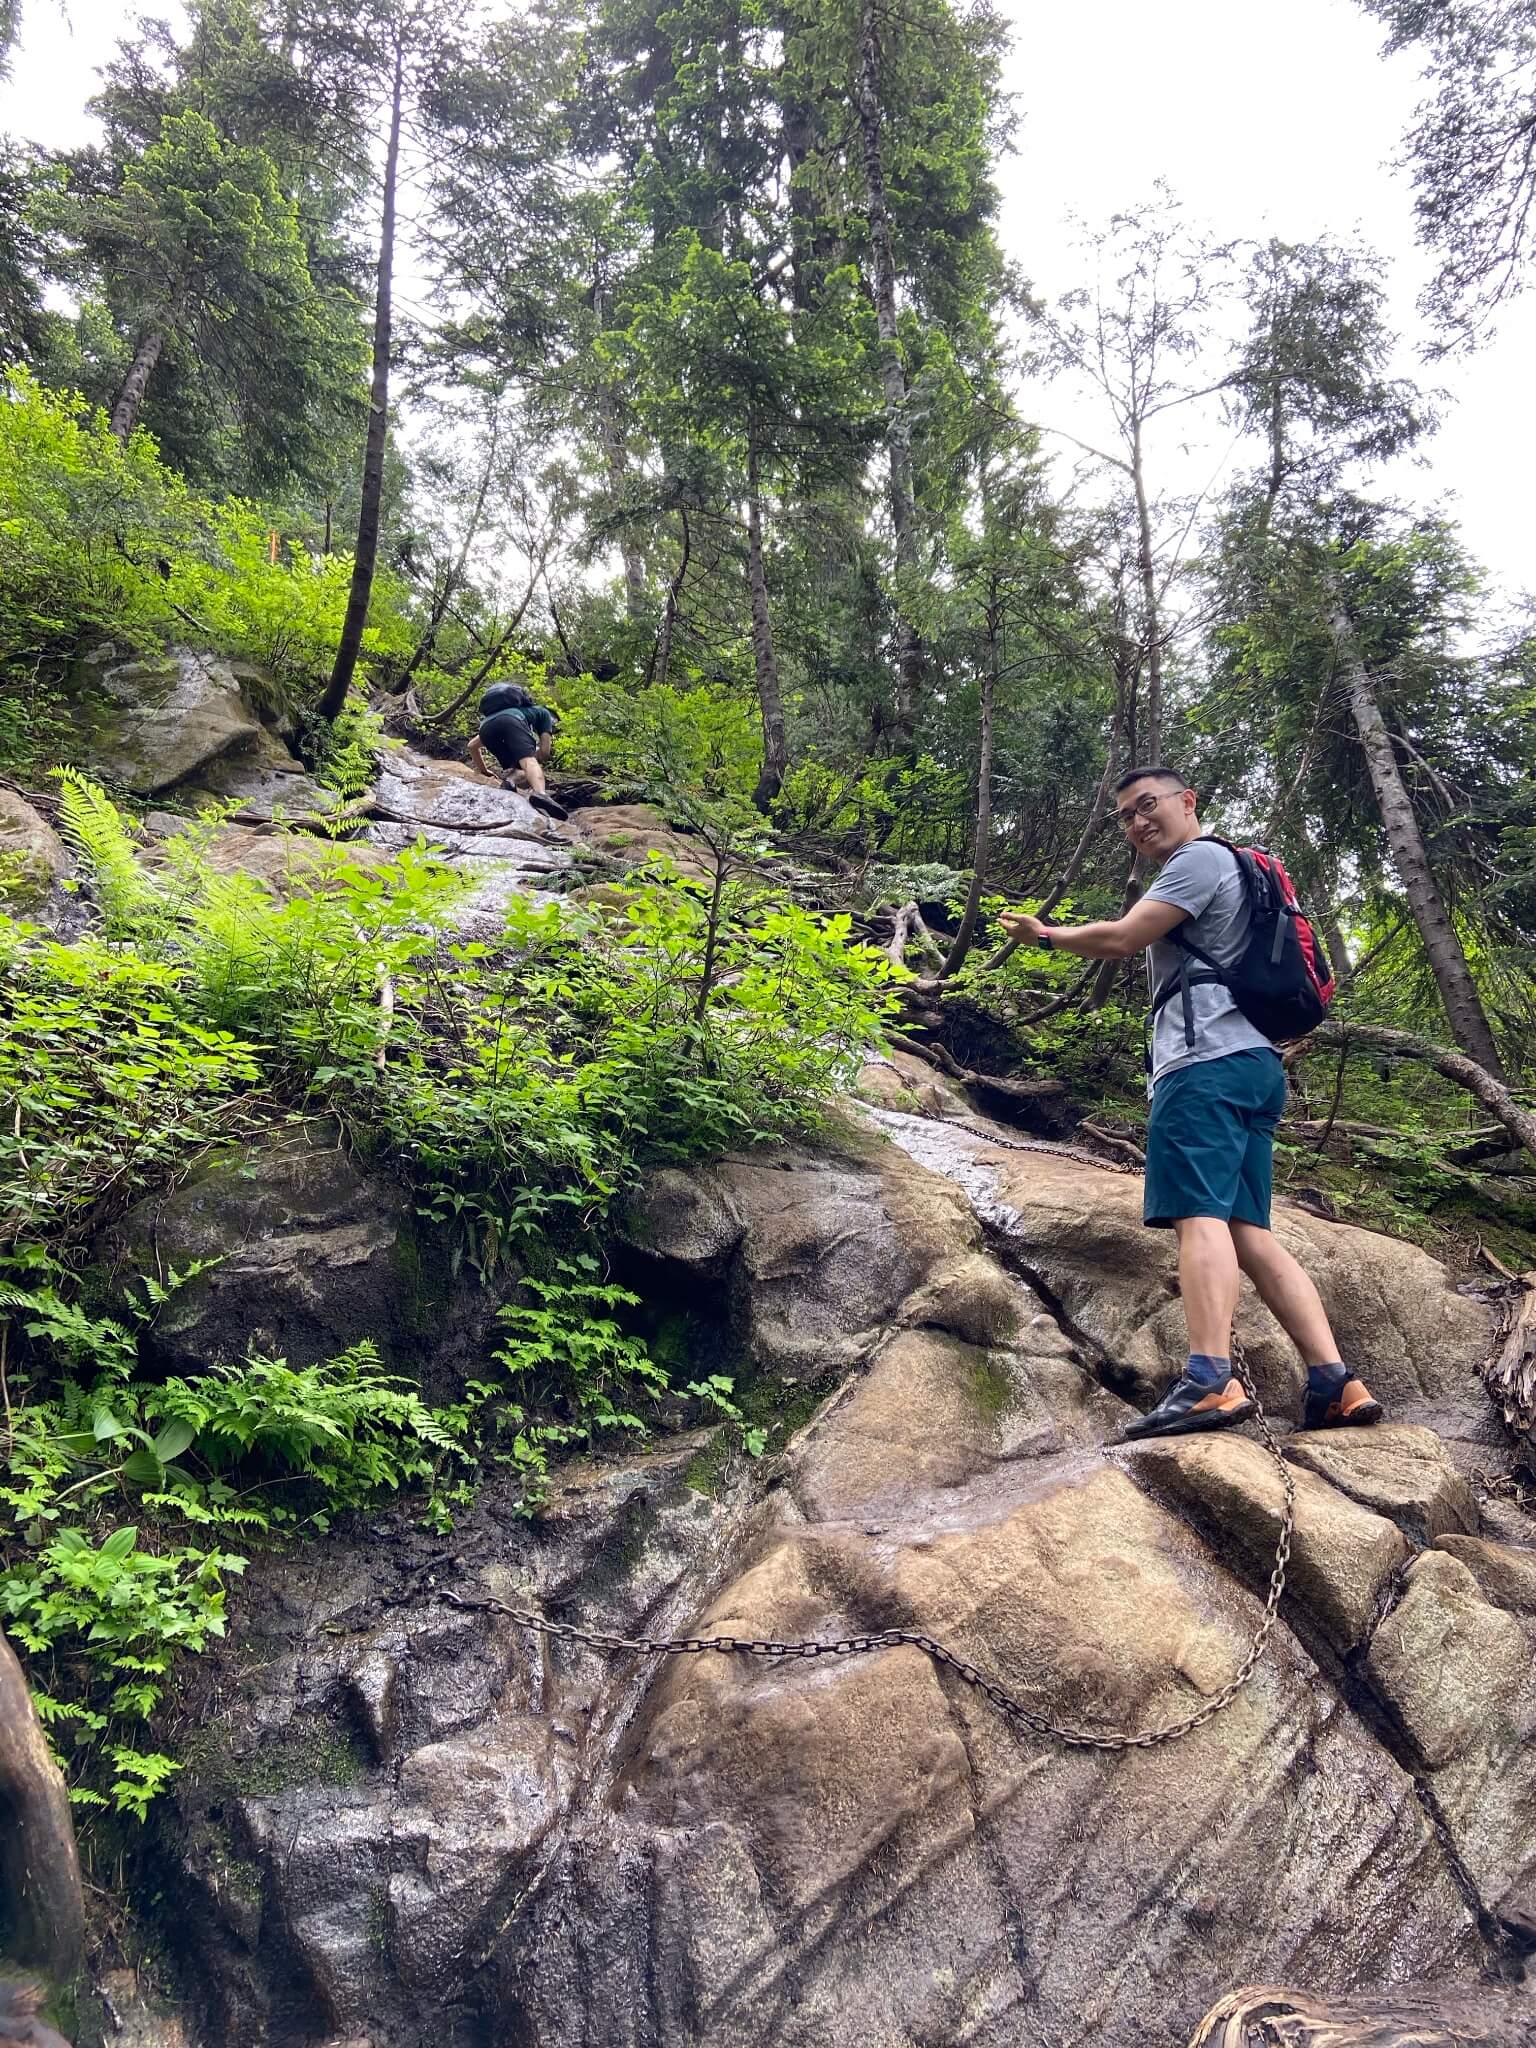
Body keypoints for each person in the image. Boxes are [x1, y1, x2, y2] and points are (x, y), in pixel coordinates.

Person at [998, 765, 1384, 1440]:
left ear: (1187, 801)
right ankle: (1335, 1382)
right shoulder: (1239, 867)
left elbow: (1123, 937)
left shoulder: (1198, 861)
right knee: (1250, 1233)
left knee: (1198, 1217)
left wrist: (1047, 935)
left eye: (1147, 806)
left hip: (1203, 1066)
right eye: (1125, 816)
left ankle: (1209, 1378)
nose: (1137, 822)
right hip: (1255, 1066)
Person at [467, 685, 567, 822]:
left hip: (486, 728)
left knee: (520, 767)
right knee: (529, 762)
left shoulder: (506, 713)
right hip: (512, 723)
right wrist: (533, 754)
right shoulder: (543, 713)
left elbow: (472, 746)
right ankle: (540, 794)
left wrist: (484, 771)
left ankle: (509, 782)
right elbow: (544, 752)